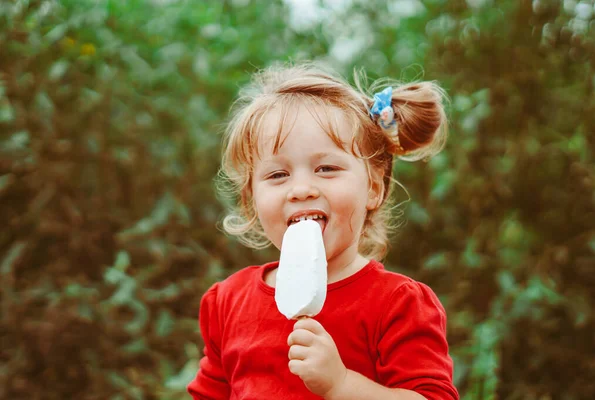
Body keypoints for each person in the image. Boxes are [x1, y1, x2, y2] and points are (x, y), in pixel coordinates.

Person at [187, 62, 459, 400]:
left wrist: (341, 384)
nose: (301, 189)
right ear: (251, 197)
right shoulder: (227, 302)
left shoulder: (398, 304)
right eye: (277, 175)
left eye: (326, 168)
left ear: (373, 187)